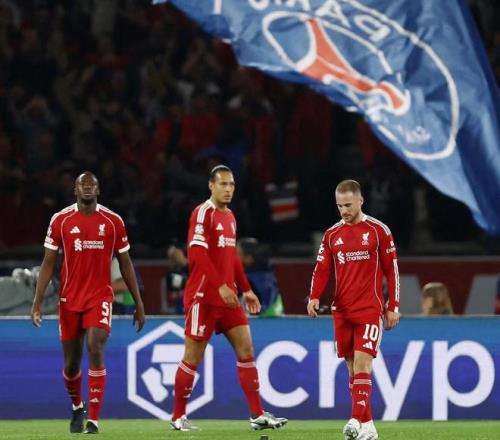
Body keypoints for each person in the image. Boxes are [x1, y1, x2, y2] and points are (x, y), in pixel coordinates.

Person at [170, 165, 288, 432]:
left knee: (246, 350)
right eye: (223, 184)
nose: (228, 189)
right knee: (192, 357)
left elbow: (232, 257)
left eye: (232, 184)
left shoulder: (230, 216)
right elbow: (197, 254)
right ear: (211, 186)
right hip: (203, 297)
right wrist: (220, 285)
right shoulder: (203, 213)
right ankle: (178, 416)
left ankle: (257, 415)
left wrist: (245, 289)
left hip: (228, 299)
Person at [30, 171, 146, 434]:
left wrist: (139, 302)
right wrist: (37, 302)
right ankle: (77, 406)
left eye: (91, 184)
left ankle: (93, 419)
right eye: (82, 184)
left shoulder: (113, 222)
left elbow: (125, 263)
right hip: (69, 299)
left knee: (95, 347)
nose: (87, 187)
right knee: (71, 365)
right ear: (75, 190)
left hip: (99, 297)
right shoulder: (60, 220)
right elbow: (48, 263)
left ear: (98, 190)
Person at [307, 179, 400, 440]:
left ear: (360, 201)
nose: (344, 210)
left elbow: (391, 270)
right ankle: (368, 427)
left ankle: (354, 420)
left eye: (348, 205)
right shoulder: (331, 235)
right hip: (342, 311)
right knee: (351, 369)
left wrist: (393, 305)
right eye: (340, 206)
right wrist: (314, 296)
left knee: (362, 364)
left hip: (369, 309)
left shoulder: (378, 231)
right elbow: (322, 269)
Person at [237, 237, 284, 317]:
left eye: (237, 253)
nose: (234, 257)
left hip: (263, 319)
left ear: (249, 258)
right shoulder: (267, 271)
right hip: (276, 316)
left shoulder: (250, 278)